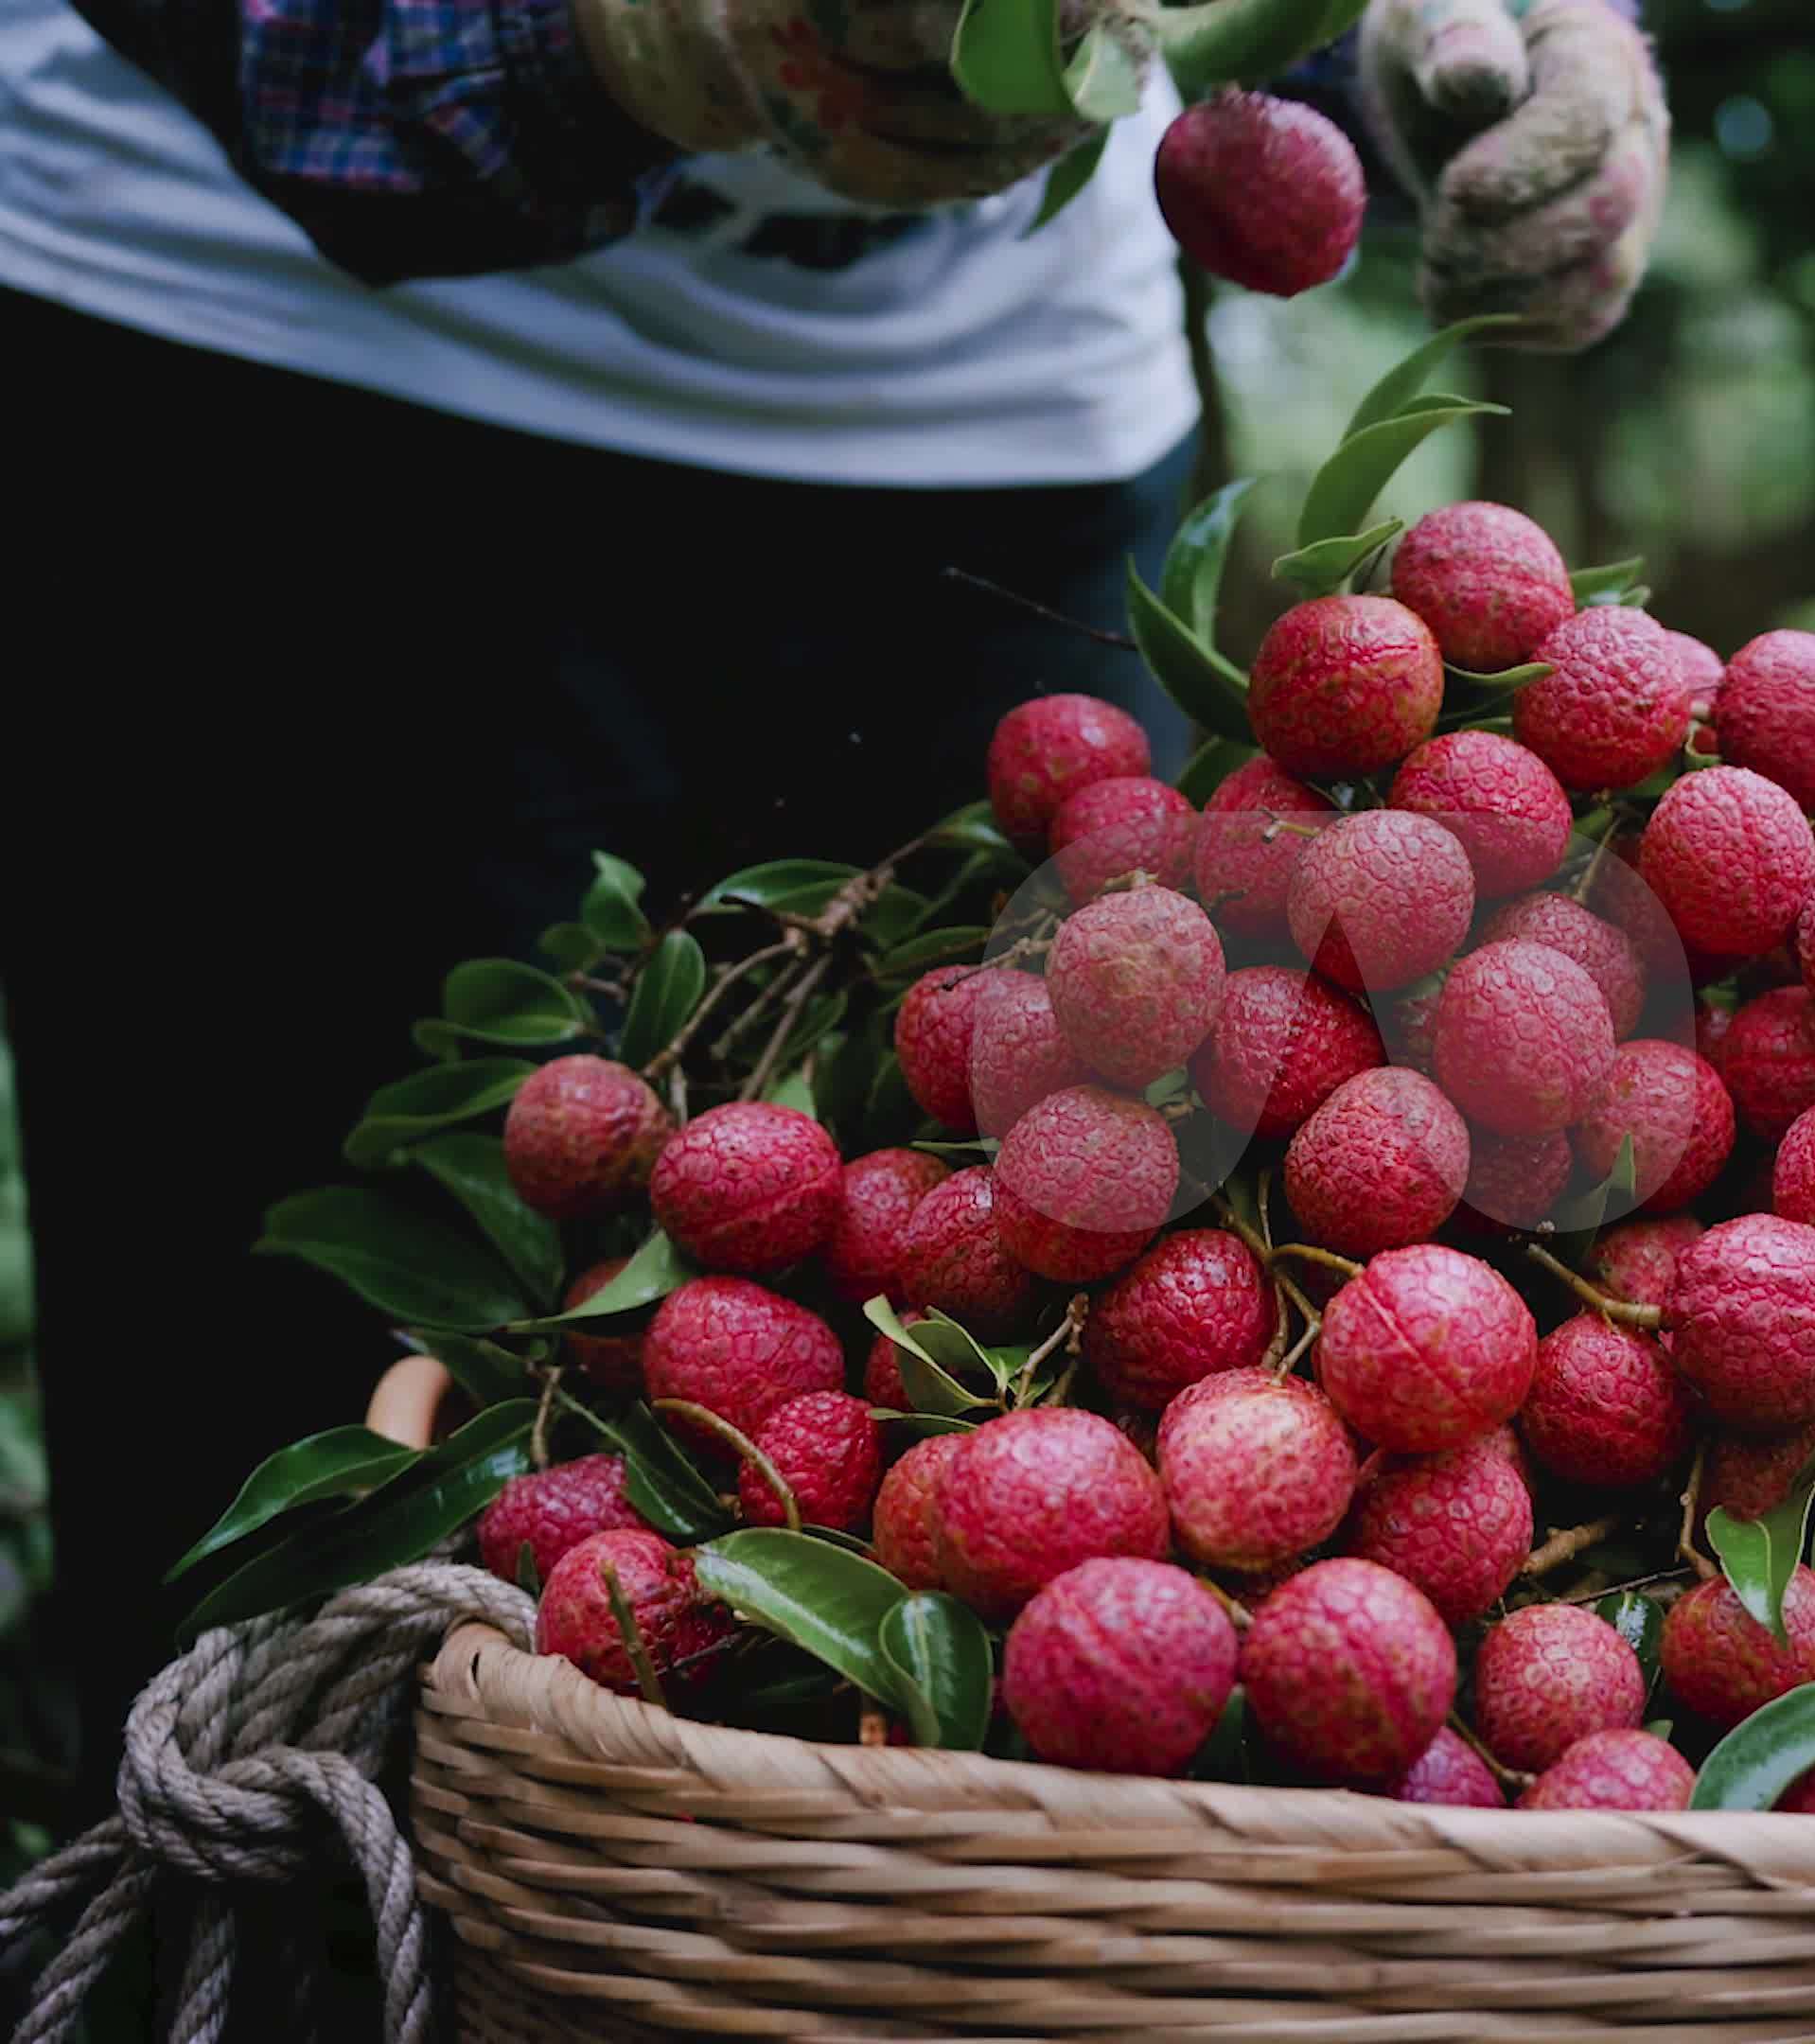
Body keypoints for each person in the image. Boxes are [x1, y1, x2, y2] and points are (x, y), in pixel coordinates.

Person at [0, 0, 1664, 1832]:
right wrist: (585, 46)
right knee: (270, 1462)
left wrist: (1459, 41)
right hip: (269, 365)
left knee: (985, 1328)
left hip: (984, 450)